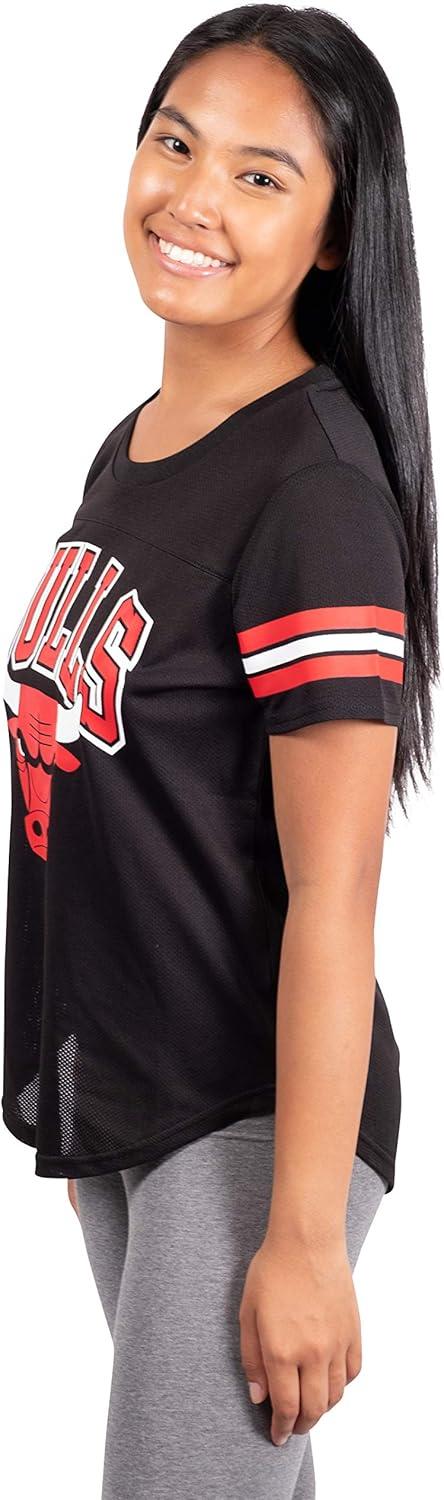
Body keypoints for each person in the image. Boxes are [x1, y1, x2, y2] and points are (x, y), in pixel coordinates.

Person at [2, 6, 439, 1497]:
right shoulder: (136, 445)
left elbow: (338, 892)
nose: (193, 197)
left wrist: (302, 1237)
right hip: (138, 1099)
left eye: (262, 175)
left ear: (334, 235)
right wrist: (87, 1114)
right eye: (176, 144)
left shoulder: (314, 492)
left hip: (249, 1118)